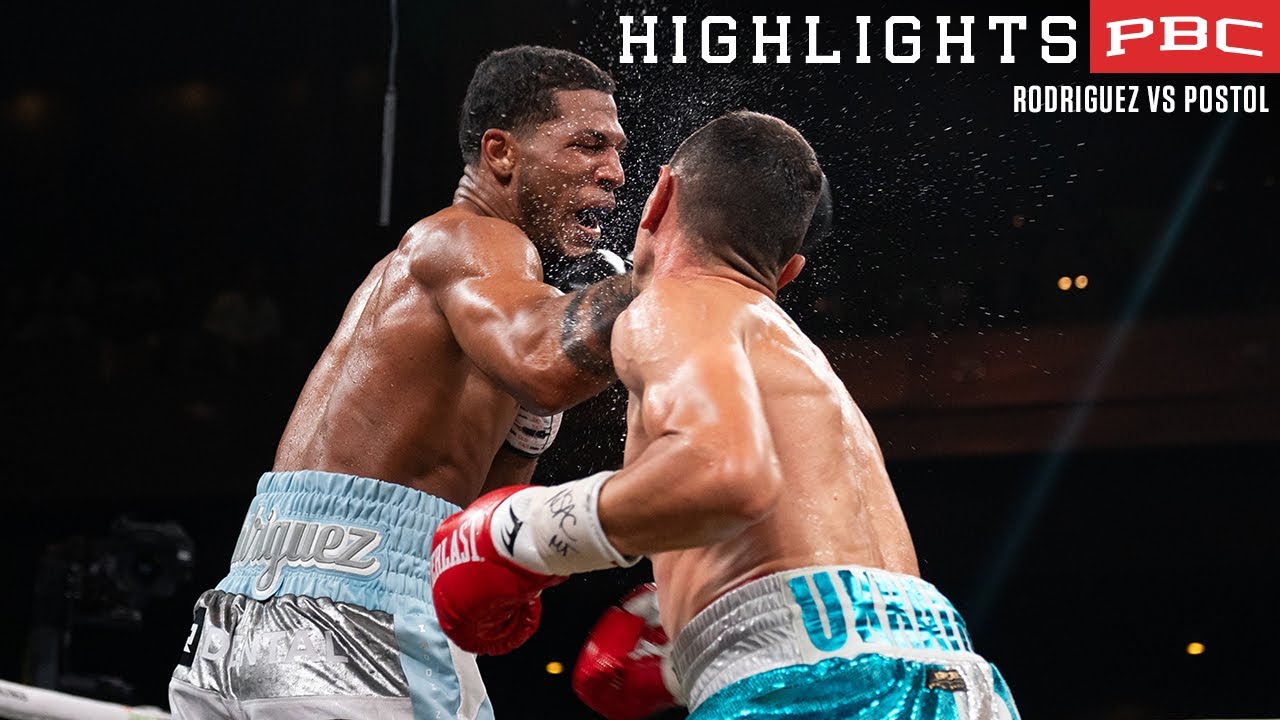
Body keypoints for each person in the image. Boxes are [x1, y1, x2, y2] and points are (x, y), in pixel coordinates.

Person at [429, 111, 1021, 719]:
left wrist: (523, 531)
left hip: (815, 687)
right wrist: (687, 646)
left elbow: (724, 473)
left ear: (660, 197)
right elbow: (840, 601)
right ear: (787, 272)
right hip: (955, 675)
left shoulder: (674, 299)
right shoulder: (805, 366)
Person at [168, 45, 634, 720]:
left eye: (617, 149)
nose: (614, 171)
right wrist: (672, 276)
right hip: (364, 619)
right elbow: (546, 367)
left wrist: (533, 425)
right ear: (501, 152)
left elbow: (482, 503)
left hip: (242, 613)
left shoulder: (443, 280)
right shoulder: (475, 239)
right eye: (588, 144)